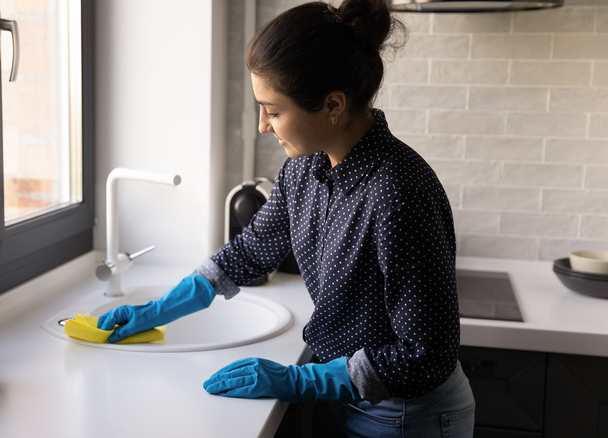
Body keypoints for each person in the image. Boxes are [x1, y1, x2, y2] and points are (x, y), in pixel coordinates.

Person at [97, 0, 475, 436]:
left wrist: (298, 380)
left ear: (333, 104)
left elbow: (427, 354)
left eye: (273, 111)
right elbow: (254, 249)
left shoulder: (397, 191)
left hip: (408, 414)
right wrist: (161, 309)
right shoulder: (305, 169)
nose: (262, 125)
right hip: (354, 400)